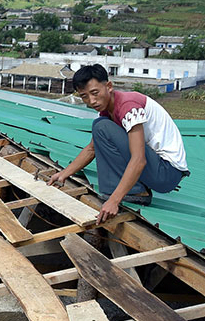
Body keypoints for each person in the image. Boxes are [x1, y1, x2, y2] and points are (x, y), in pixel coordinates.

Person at [48, 64, 189, 224]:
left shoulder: (128, 106)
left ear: (109, 86)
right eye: (84, 96)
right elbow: (91, 149)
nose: (91, 101)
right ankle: (127, 189)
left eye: (95, 93)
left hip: (166, 172)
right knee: (100, 126)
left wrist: (114, 201)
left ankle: (136, 192)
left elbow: (139, 159)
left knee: (101, 127)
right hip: (158, 169)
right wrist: (64, 173)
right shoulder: (106, 111)